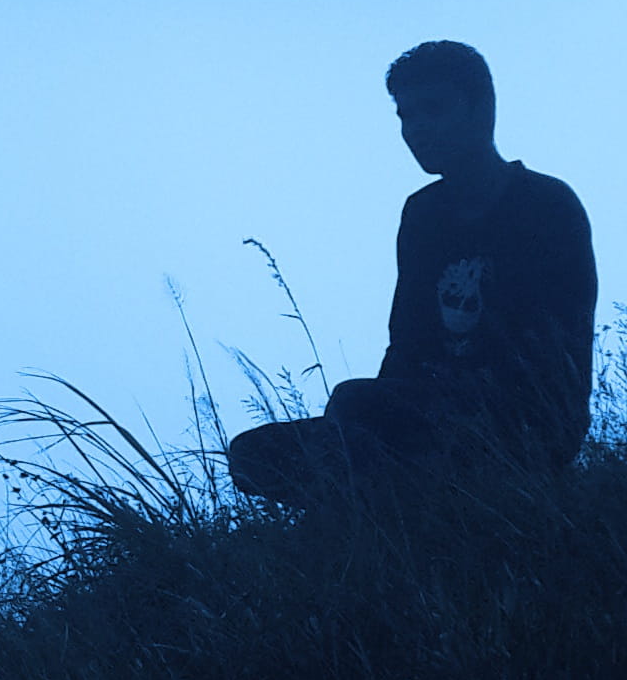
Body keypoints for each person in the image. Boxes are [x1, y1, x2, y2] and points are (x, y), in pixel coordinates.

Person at [228, 41, 598, 507]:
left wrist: (376, 412)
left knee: (353, 406)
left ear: (483, 109)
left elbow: (554, 350)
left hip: (525, 421)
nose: (417, 129)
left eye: (433, 109)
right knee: (253, 454)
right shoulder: (424, 214)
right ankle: (383, 512)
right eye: (406, 116)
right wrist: (377, 415)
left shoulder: (545, 205)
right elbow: (408, 341)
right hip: (427, 414)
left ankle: (381, 518)